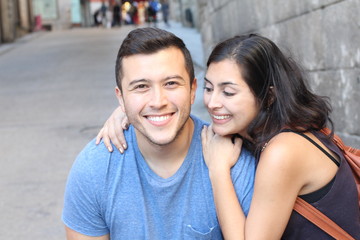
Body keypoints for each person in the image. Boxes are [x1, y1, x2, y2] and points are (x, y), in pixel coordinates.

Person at [97, 34, 360, 239]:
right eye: (209, 88)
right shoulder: (275, 129)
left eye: (229, 92)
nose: (212, 103)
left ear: (267, 96)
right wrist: (128, 114)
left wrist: (219, 170)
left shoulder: (284, 150)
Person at [62, 28, 255, 239]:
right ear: (121, 98)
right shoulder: (95, 169)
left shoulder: (233, 161)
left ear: (192, 90)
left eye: (171, 83)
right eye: (141, 86)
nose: (158, 101)